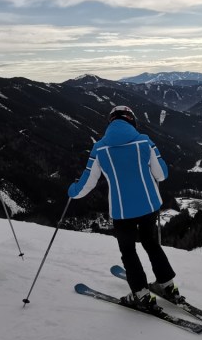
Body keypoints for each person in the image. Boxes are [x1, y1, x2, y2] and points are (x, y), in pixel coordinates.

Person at [68, 105, 180, 309]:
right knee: (151, 244)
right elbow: (162, 174)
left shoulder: (99, 148)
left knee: (128, 251)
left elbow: (88, 183)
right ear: (132, 120)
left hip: (122, 211)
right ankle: (168, 286)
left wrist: (72, 191)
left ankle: (141, 295)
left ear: (111, 122)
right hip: (149, 205)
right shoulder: (145, 141)